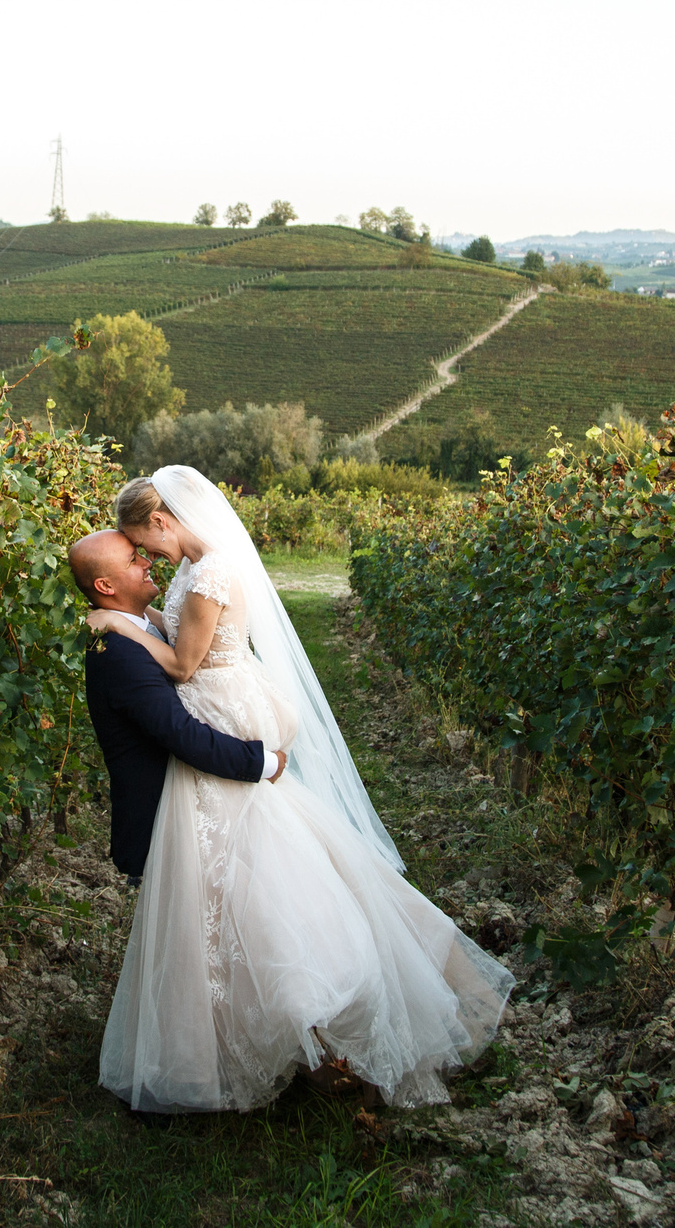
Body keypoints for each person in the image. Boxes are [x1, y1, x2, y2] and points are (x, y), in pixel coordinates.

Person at [90, 465, 513, 1114]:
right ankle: (252, 1015)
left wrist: (122, 626)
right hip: (221, 703)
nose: (146, 554)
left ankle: (300, 1004)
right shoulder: (193, 567)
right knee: (260, 855)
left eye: (145, 541)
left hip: (221, 709)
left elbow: (181, 663)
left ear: (164, 519)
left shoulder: (208, 573)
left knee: (253, 861)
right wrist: (141, 615)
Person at [69, 528, 287, 886]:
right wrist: (263, 762)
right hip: (170, 829)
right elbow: (181, 734)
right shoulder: (120, 654)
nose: (146, 561)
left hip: (199, 810)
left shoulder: (134, 629)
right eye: (133, 560)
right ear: (106, 587)